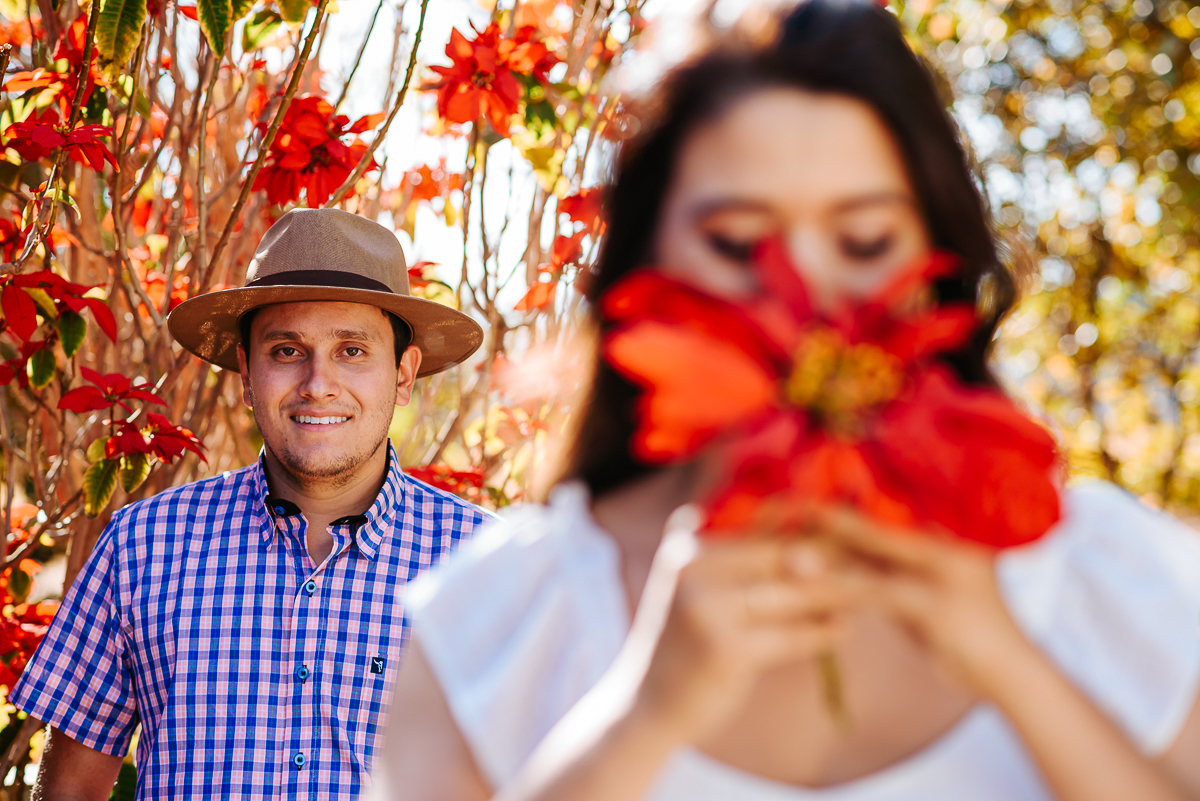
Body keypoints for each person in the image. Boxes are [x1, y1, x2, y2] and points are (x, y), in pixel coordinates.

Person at [373, 3, 1200, 801]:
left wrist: (1011, 662)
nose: (803, 295)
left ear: (937, 259)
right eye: (736, 242)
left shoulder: (1108, 575)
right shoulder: (493, 622)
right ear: (643, 254)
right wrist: (645, 714)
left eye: (866, 241)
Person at [13, 208, 493, 800]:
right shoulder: (143, 546)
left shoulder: (486, 566)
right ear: (246, 371)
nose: (318, 383)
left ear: (403, 373)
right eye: (287, 351)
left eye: (351, 351)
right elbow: (69, 793)